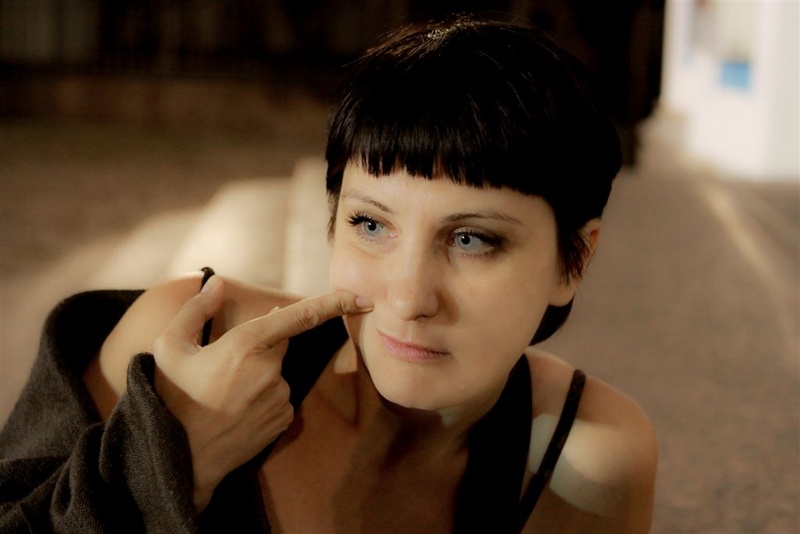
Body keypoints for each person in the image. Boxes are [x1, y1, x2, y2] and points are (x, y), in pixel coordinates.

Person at [0, 15, 657, 533]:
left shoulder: (584, 457)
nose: (408, 297)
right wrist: (160, 464)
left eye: (472, 239)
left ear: (574, 260)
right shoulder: (185, 348)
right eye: (371, 224)